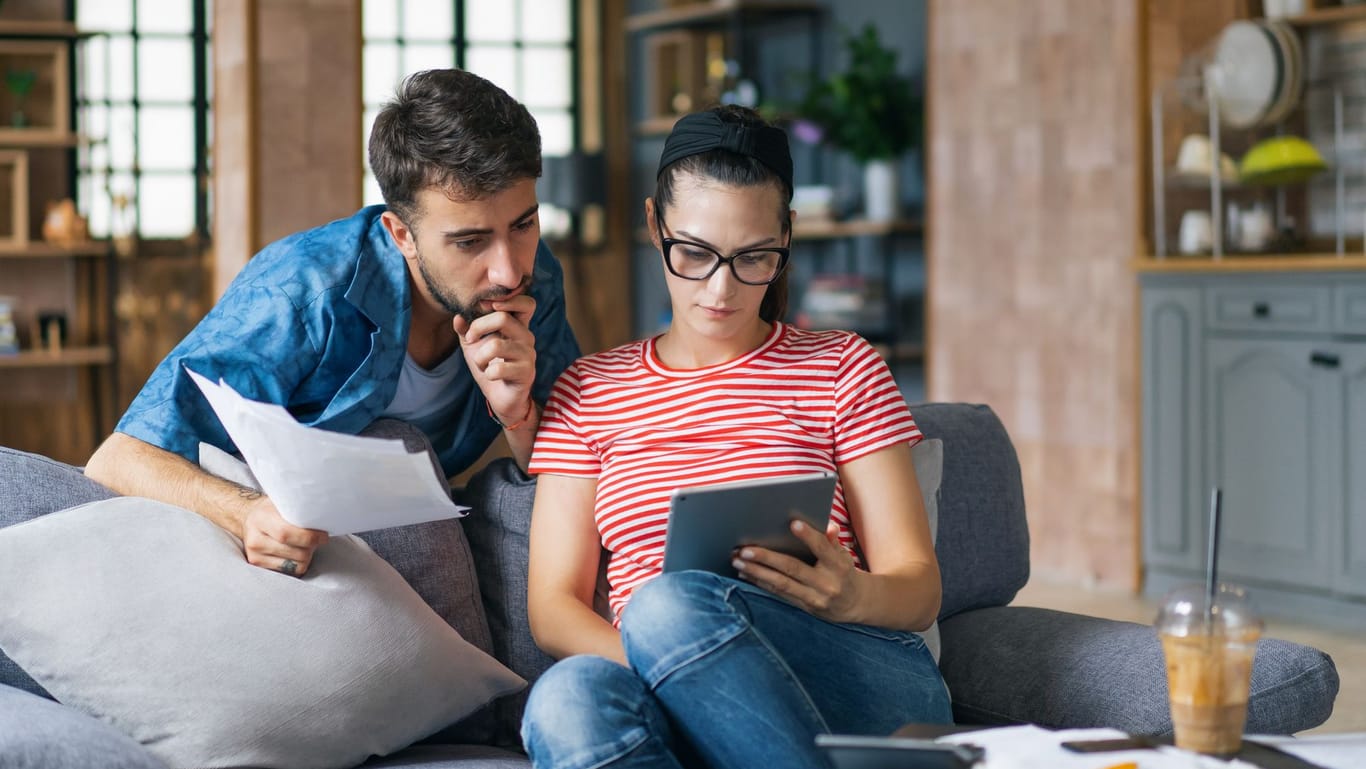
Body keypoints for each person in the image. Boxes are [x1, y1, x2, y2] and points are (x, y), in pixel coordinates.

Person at [520, 104, 951, 769]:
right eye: (693, 252)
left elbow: (919, 585)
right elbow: (553, 608)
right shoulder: (589, 389)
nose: (720, 290)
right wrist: (671, 667)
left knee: (664, 606)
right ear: (653, 225)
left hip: (852, 671)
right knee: (565, 698)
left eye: (754, 258)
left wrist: (855, 595)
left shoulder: (842, 365)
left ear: (787, 239)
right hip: (663, 678)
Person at [84, 68, 580, 578]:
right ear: (401, 235)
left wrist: (517, 415)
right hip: (277, 540)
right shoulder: (303, 290)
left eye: (523, 224)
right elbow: (120, 459)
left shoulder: (534, 276)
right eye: (469, 241)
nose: (509, 269)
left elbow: (575, 461)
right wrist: (246, 512)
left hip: (416, 524)